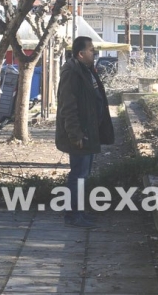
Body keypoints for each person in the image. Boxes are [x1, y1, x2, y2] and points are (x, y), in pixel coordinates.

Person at [55, 36, 114, 227]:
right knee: (78, 175)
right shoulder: (72, 73)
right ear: (81, 54)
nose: (94, 52)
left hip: (90, 132)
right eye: (91, 50)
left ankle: (79, 212)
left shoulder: (86, 70)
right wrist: (75, 134)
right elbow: (68, 107)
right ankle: (72, 215)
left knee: (83, 175)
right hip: (80, 135)